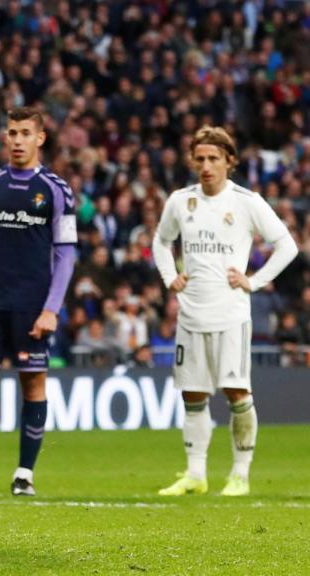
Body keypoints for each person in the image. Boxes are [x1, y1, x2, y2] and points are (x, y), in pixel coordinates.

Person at [152, 126, 296, 497]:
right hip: (190, 315)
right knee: (193, 395)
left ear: (230, 162)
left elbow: (286, 245)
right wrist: (170, 276)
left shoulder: (247, 202)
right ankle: (196, 475)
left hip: (230, 315)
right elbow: (161, 241)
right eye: (200, 158)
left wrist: (254, 280)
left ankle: (240, 475)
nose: (206, 165)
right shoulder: (181, 201)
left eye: (214, 158)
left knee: (236, 391)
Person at [0, 107, 77, 497]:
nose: (18, 140)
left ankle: (24, 472)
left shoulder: (56, 189)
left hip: (33, 305)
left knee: (33, 384)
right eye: (12, 133)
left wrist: (51, 309)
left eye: (25, 133)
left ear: (40, 138)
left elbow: (66, 253)